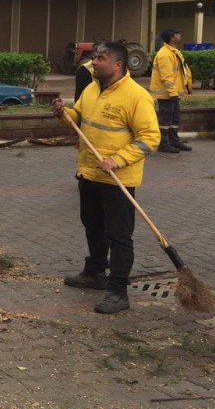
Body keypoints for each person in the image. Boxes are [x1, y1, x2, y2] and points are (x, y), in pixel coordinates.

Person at [51, 42, 160, 314]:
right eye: (94, 57)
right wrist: (64, 114)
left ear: (118, 65)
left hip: (117, 179)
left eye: (101, 58)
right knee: (92, 225)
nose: (94, 62)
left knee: (119, 236)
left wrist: (118, 159)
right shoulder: (91, 88)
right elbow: (80, 117)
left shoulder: (136, 96)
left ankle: (118, 291)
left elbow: (150, 138)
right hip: (88, 171)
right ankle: (95, 272)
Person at [149, 28, 192, 153]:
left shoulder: (174, 52)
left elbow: (182, 71)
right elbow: (167, 76)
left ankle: (174, 140)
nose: (180, 35)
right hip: (166, 94)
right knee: (165, 120)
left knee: (174, 119)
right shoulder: (164, 54)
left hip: (173, 93)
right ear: (172, 37)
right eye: (178, 34)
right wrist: (173, 93)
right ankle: (163, 143)